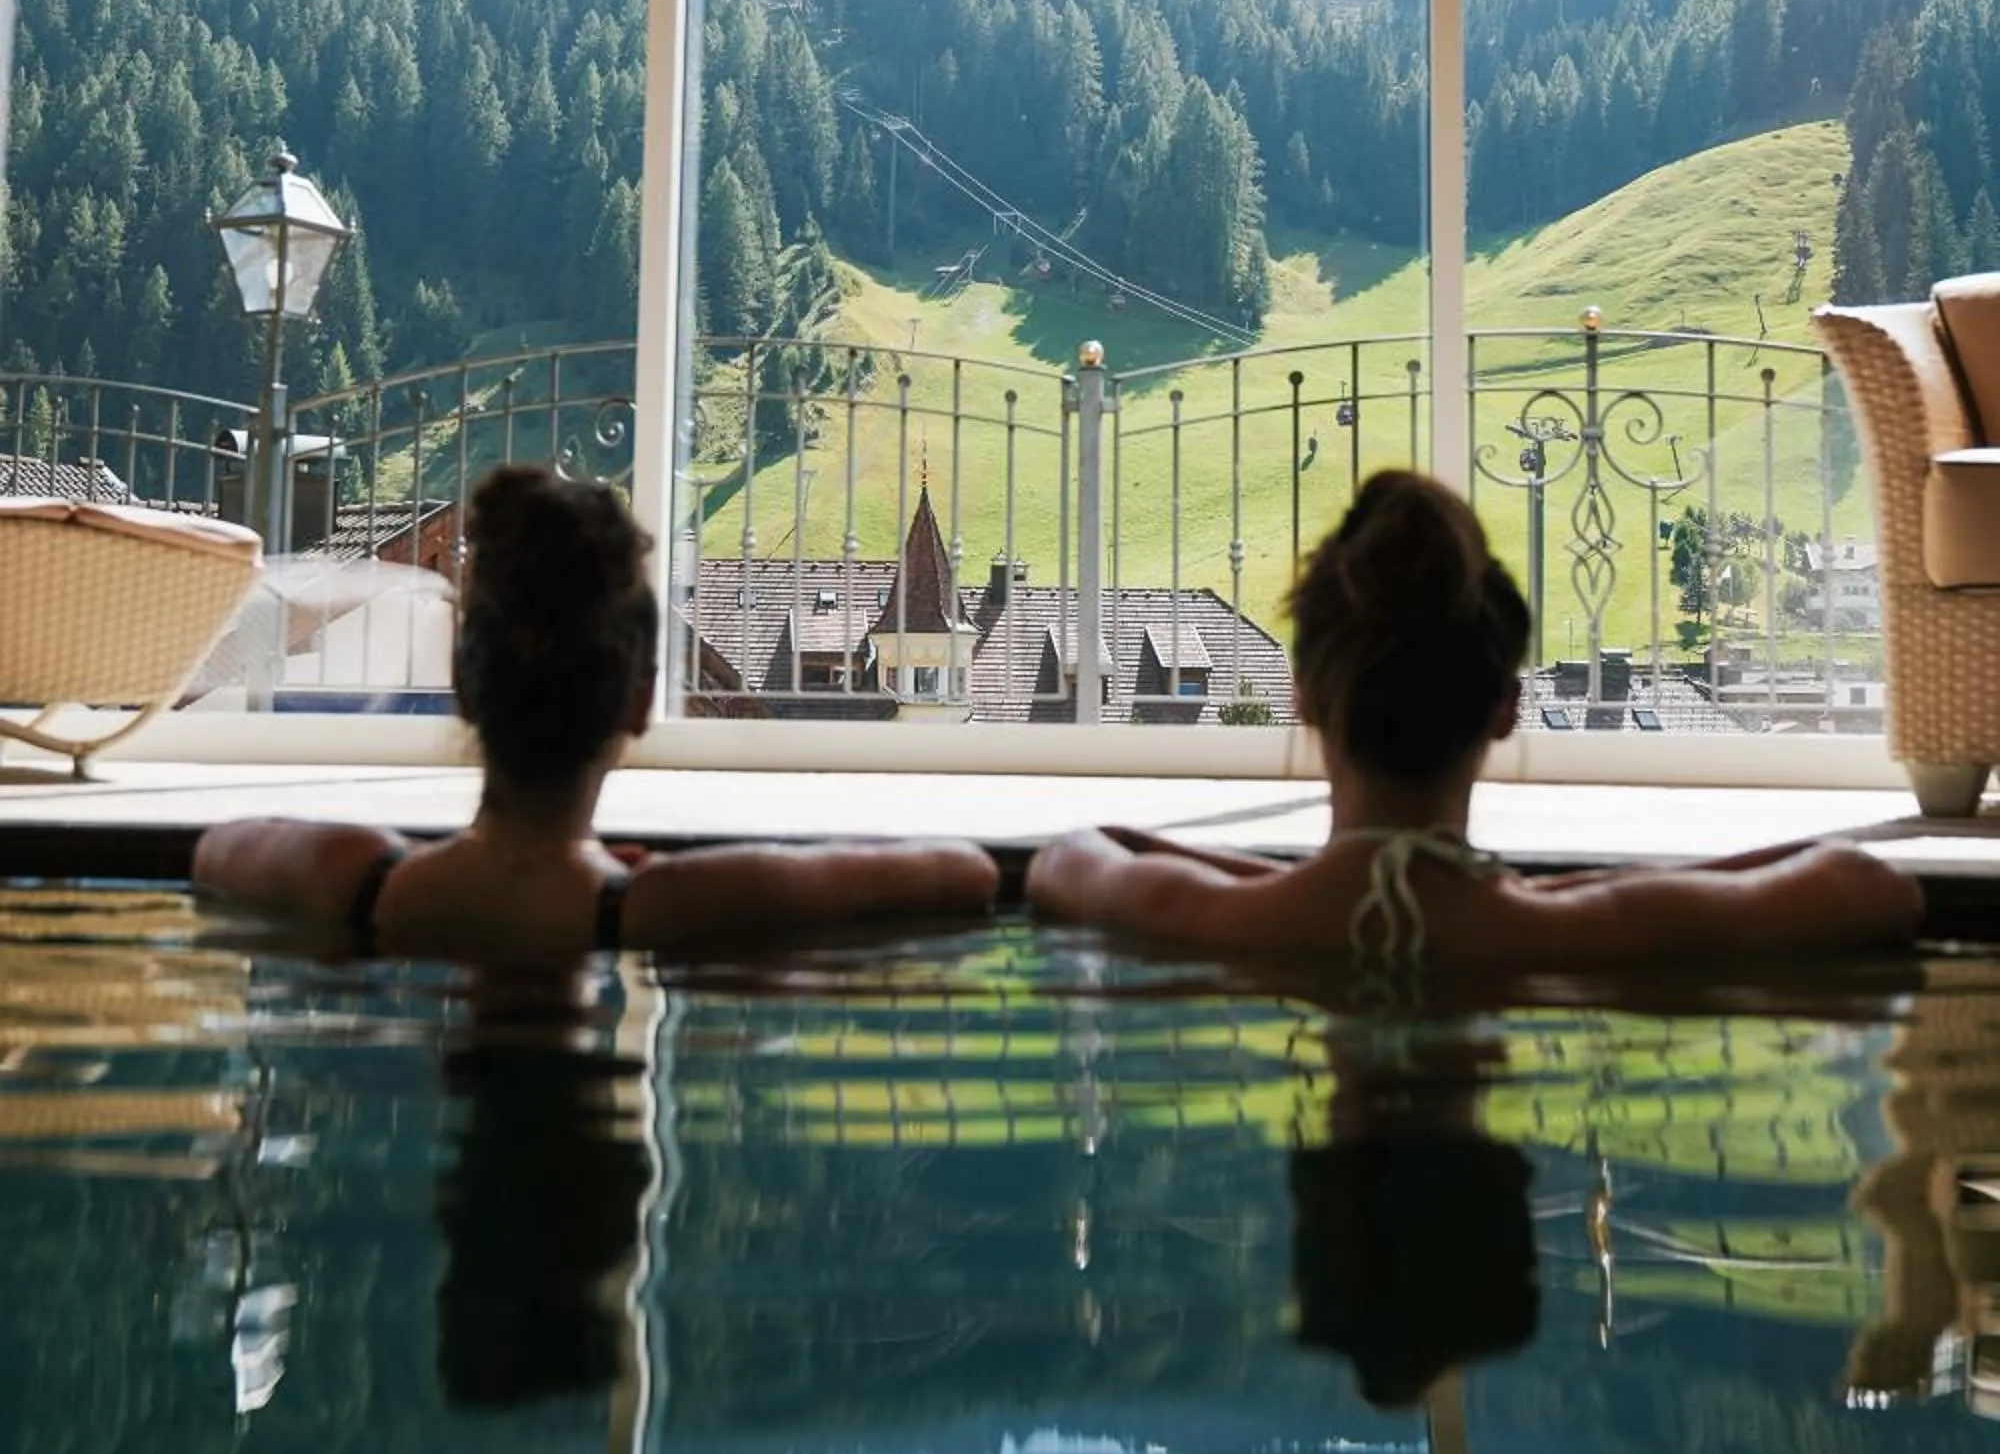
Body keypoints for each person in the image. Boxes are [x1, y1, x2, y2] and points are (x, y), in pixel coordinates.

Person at [1025, 468, 1923, 970]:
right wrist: (1569, 891)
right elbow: (1869, 886)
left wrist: (1290, 877)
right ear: (1505, 709)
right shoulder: (1588, 930)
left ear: (1303, 696)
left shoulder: (1210, 916)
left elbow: (1073, 855)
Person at [194, 464, 999, 955]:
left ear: (465, 691)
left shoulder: (354, 876)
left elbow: (219, 847)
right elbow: (966, 874)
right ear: (639, 706)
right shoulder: (671, 903)